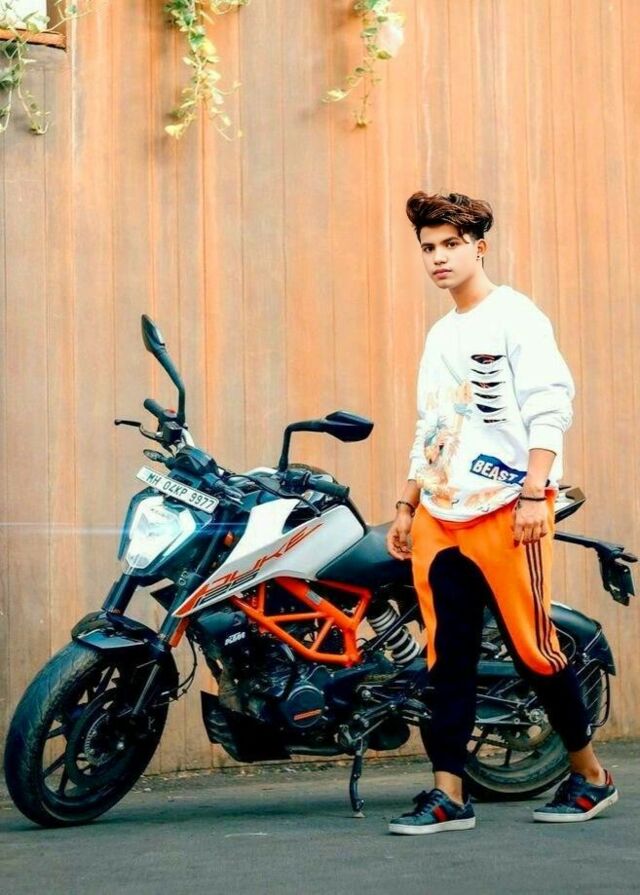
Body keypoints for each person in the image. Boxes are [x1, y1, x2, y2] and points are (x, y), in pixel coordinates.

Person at [385, 191, 618, 835]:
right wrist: (407, 503)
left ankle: (592, 776)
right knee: (446, 659)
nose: (438, 257)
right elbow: (432, 425)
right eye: (428, 248)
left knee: (534, 651)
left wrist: (535, 492)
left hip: (506, 509)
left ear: (479, 246)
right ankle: (448, 794)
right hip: (439, 514)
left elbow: (550, 405)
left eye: (450, 244)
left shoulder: (517, 316)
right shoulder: (440, 334)